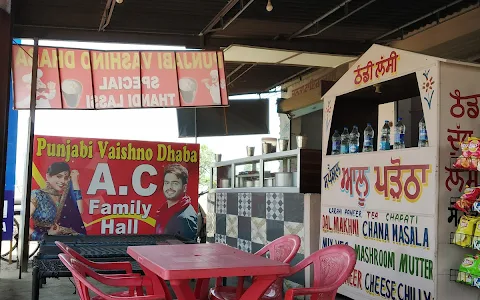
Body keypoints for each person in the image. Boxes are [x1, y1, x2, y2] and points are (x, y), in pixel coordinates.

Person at [29, 162, 86, 241]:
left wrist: (75, 182)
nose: (62, 181)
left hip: (69, 243)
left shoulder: (65, 198)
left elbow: (79, 211)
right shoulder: (38, 195)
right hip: (46, 245)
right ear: (48, 176)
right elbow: (23, 224)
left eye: (66, 178)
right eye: (59, 176)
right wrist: (42, 237)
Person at [155, 164, 198, 240]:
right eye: (167, 183)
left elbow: (185, 250)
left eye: (175, 183)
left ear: (184, 188)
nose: (170, 187)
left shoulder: (184, 218)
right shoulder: (163, 211)